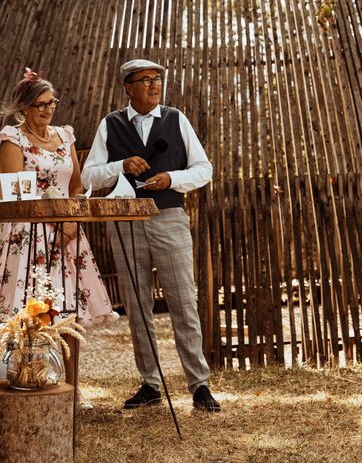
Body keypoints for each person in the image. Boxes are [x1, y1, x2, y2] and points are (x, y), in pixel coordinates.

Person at [81, 59, 219, 412]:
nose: (155, 85)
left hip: (169, 216)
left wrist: (172, 179)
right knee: (137, 305)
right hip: (124, 220)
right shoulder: (111, 124)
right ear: (129, 87)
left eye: (158, 79)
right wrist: (120, 166)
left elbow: (204, 169)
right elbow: (88, 178)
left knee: (183, 302)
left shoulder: (175, 119)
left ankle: (199, 385)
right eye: (146, 80)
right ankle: (151, 384)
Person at [0, 68, 120, 409]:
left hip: (67, 234)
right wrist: (47, 213)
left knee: (67, 311)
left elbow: (77, 186)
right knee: (31, 312)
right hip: (29, 235)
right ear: (24, 107)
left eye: (51, 103)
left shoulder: (64, 136)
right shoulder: (13, 139)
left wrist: (69, 217)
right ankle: (27, 379)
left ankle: (72, 388)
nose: (47, 110)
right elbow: (13, 192)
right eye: (39, 105)